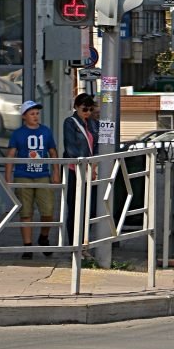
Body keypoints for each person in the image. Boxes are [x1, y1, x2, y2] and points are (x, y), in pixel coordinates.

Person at [5, 100, 60, 259]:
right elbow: (11, 156)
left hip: (42, 175)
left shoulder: (46, 132)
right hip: (23, 175)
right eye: (32, 114)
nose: (35, 116)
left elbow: (52, 152)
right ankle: (27, 246)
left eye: (37, 113)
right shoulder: (18, 134)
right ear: (24, 116)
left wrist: (56, 172)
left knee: (48, 211)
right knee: (26, 212)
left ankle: (44, 237)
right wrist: (8, 178)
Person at [62, 93, 98, 249]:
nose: (88, 112)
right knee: (75, 207)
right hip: (74, 170)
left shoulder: (94, 124)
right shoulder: (70, 123)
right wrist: (81, 165)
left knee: (91, 209)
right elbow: (70, 146)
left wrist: (94, 165)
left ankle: (84, 243)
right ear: (76, 107)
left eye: (90, 109)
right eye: (85, 109)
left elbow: (98, 145)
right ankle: (73, 244)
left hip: (91, 169)